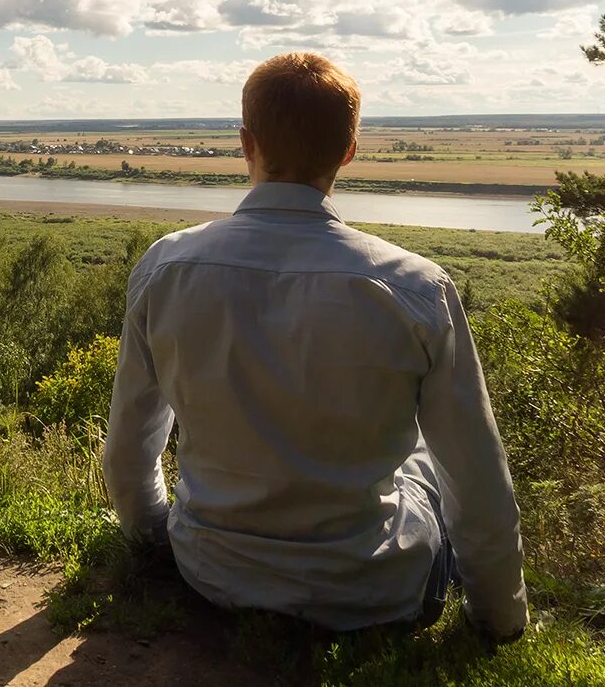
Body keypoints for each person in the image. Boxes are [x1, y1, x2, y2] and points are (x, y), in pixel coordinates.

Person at [100, 52, 528, 639]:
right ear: (349, 149)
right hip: (374, 590)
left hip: (210, 572)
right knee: (434, 449)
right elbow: (479, 480)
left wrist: (155, 539)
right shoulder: (414, 286)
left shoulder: (166, 265)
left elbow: (129, 445)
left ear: (246, 142)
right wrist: (499, 619)